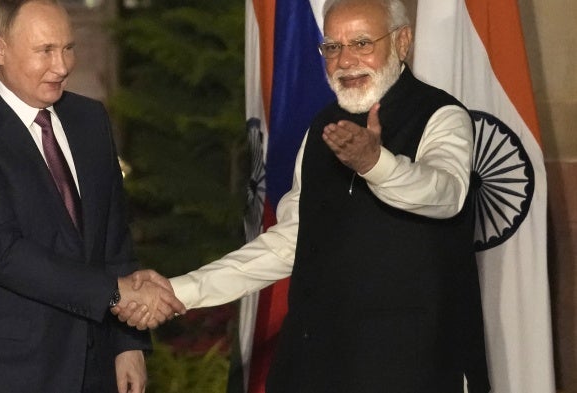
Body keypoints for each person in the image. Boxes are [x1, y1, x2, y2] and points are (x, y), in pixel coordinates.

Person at [114, 0, 491, 392]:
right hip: (314, 368)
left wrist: (375, 163)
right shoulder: (323, 127)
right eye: (332, 47)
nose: (345, 61)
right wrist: (181, 290)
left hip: (414, 369)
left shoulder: (443, 116)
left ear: (402, 41)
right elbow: (291, 242)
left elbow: (447, 193)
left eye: (362, 43)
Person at [0, 1, 185, 392]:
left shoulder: (90, 120)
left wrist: (126, 345)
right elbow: (4, 254)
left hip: (92, 369)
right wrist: (116, 294)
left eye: (68, 48)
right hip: (2, 372)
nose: (63, 65)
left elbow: (113, 239)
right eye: (45, 51)